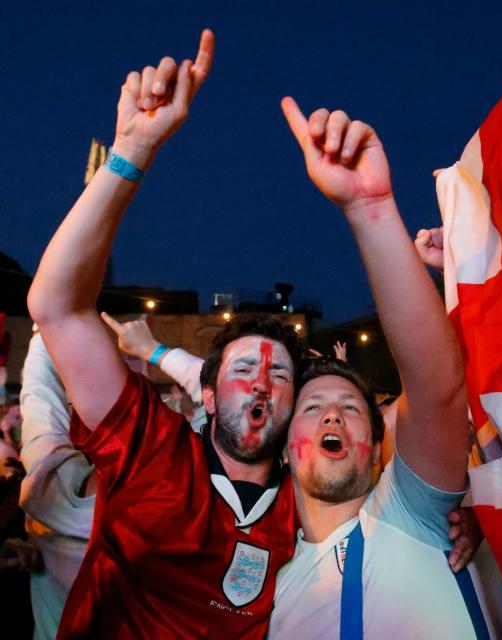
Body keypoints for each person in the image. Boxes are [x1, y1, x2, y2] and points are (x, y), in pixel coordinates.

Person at [26, 30, 309, 638]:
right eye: (241, 370)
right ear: (205, 398)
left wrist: (460, 522)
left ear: (294, 407)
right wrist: (132, 151)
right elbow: (57, 307)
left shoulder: (312, 502)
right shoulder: (151, 449)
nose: (261, 380)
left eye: (279, 374)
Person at [268, 102, 491, 638]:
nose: (333, 418)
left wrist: (371, 210)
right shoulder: (268, 596)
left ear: (379, 442)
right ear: (282, 444)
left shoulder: (410, 512)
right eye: (313, 407)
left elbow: (437, 387)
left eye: (350, 408)